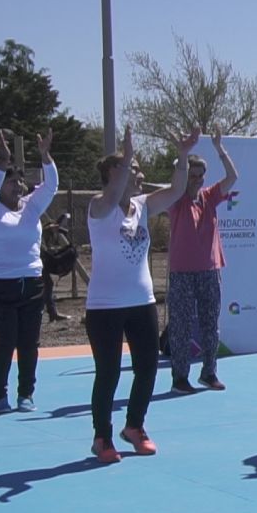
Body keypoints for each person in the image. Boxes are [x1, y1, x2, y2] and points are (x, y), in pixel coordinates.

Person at [85, 125, 200, 463]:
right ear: (112, 172)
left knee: (147, 367)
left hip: (142, 302)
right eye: (133, 169)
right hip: (105, 306)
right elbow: (112, 194)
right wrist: (126, 156)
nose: (140, 174)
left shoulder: (143, 206)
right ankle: (102, 437)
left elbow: (178, 189)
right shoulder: (99, 207)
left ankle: (134, 426)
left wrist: (181, 154)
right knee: (108, 372)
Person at [0, 129, 58, 412]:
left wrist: (45, 157)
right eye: (12, 180)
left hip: (32, 284)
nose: (18, 185)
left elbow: (51, 186)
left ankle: (26, 394)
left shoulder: (30, 208)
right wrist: (3, 161)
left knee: (29, 343)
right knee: (5, 341)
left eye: (21, 180)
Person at [166, 126, 238, 393]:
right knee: (181, 326)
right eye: (191, 175)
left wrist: (220, 149)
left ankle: (209, 373)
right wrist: (182, 156)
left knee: (211, 325)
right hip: (182, 273)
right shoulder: (175, 199)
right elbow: (178, 178)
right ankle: (179, 377)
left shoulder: (209, 197)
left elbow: (233, 176)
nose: (195, 179)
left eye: (199, 176)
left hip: (210, 270)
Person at [41, 212, 73, 322]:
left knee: (47, 284)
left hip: (38, 260)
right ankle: (50, 313)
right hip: (31, 261)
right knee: (44, 285)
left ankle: (52, 313)